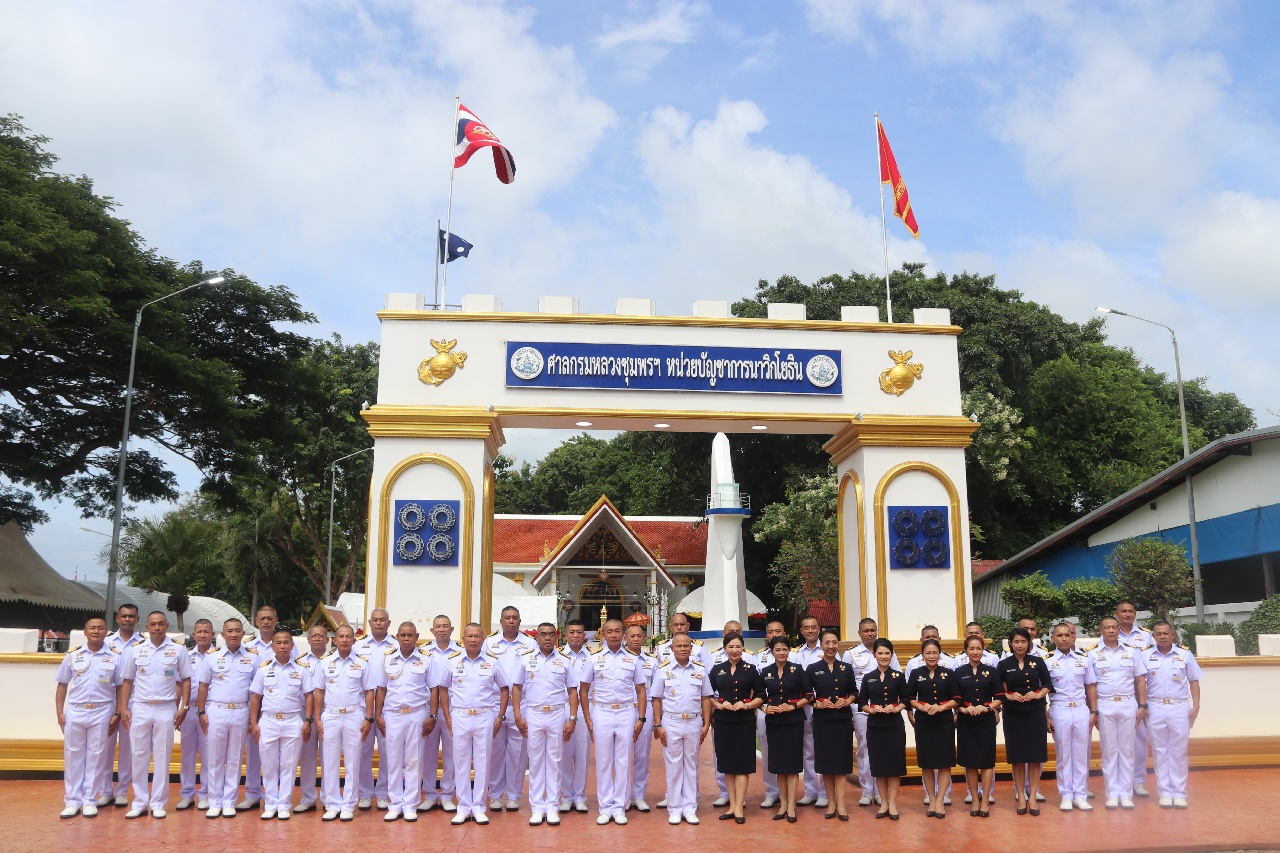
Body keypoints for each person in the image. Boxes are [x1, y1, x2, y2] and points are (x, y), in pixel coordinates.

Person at [117, 611, 192, 819]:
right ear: (147, 627)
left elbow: (186, 679)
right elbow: (127, 681)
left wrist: (184, 707)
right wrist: (123, 708)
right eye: (153, 624)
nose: (157, 628)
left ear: (167, 625)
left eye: (161, 624)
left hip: (166, 707)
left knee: (162, 755)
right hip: (140, 707)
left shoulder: (178, 650)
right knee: (138, 755)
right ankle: (140, 802)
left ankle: (158, 802)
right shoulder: (136, 650)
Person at [436, 622, 510, 826]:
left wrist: (500, 716)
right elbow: (443, 689)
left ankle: (478, 806)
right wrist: (448, 717)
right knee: (460, 761)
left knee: (483, 762)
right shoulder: (452, 662)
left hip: (484, 716)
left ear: (483, 639)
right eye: (469, 636)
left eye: (477, 636)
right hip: (460, 716)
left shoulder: (492, 662)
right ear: (463, 638)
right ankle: (462, 806)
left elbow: (505, 689)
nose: (473, 640)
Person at [580, 618, 647, 826]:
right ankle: (605, 807)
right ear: (603, 634)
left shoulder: (633, 660)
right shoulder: (594, 658)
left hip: (626, 712)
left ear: (623, 634)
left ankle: (619, 807)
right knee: (603, 761)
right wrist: (588, 717)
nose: (614, 635)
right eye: (609, 631)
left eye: (618, 631)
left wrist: (641, 718)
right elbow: (583, 689)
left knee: (623, 760)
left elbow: (641, 690)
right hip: (602, 712)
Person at [511, 622, 579, 826]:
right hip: (534, 713)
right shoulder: (525, 659)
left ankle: (552, 806)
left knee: (555, 760)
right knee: (536, 761)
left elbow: (572, 690)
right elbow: (516, 688)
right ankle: (537, 807)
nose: (547, 638)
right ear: (537, 638)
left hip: (557, 713)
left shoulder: (565, 661)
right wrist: (517, 715)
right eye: (543, 634)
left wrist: (572, 718)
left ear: (557, 637)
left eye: (551, 634)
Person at [55, 616, 121, 818]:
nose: (96, 631)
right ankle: (72, 800)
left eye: (100, 628)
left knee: (97, 756)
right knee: (73, 756)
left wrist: (117, 713)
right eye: (92, 628)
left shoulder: (115, 656)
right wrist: (59, 712)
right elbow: (62, 685)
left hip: (102, 710)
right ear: (85, 632)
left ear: (106, 631)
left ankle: (90, 800)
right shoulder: (73, 655)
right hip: (76, 709)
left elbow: (120, 687)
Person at [249, 626, 315, 820]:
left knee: (289, 765)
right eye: (278, 642)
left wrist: (308, 721)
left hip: (292, 720)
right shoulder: (263, 669)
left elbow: (309, 696)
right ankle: (270, 803)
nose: (283, 646)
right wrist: (254, 723)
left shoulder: (301, 669)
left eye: (286, 642)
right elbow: (255, 697)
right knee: (269, 765)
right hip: (268, 720)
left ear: (292, 645)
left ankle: (284, 804)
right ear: (272, 646)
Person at [313, 623, 376, 821]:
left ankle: (348, 804)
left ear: (354, 640)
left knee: (353, 761)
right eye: (341, 636)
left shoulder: (363, 663)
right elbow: (319, 692)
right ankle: (331, 803)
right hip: (330, 715)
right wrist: (316, 717)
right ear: (335, 640)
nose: (345, 640)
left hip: (354, 715)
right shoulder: (324, 662)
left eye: (349, 636)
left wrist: (368, 717)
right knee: (329, 761)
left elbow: (369, 692)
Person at [194, 617, 256, 819]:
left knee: (235, 759)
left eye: (238, 631)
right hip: (216, 711)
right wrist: (201, 712)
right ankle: (214, 801)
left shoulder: (253, 657)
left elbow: (256, 691)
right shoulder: (211, 657)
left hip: (241, 711)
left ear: (243, 634)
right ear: (222, 634)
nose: (234, 634)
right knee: (214, 758)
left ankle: (229, 801)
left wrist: (252, 718)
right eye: (230, 631)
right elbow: (203, 685)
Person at [1085, 615, 1149, 810]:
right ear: (1100, 630)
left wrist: (1143, 705)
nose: (1111, 630)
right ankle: (1113, 793)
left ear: (1119, 629)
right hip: (1105, 705)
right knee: (1110, 750)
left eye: (1114, 627)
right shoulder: (1092, 654)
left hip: (1128, 703)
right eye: (1107, 627)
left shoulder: (1132, 652)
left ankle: (1126, 794)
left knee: (1128, 750)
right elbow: (1091, 684)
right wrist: (1094, 709)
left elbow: (1140, 680)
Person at [374, 620, 435, 822]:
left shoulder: (426, 659)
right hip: (393, 714)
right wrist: (378, 714)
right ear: (397, 637)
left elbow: (434, 689)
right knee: (393, 760)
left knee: (414, 760)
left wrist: (432, 715)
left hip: (417, 714)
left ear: (417, 637)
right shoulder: (388, 659)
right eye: (402, 635)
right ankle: (394, 803)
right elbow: (381, 689)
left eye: (410, 635)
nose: (406, 638)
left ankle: (410, 804)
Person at [651, 633, 712, 825]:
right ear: (672, 648)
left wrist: (706, 724)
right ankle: (675, 808)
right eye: (679, 646)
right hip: (671, 722)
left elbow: (705, 698)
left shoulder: (700, 669)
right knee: (674, 766)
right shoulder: (662, 670)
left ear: (692, 648)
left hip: (693, 721)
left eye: (687, 645)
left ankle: (690, 807)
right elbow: (657, 699)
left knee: (692, 765)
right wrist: (658, 725)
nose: (683, 649)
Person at [707, 631, 765, 824]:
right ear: (725, 649)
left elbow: (761, 695)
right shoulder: (717, 670)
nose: (734, 650)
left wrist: (747, 705)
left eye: (738, 647)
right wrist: (718, 705)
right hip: (723, 721)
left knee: (742, 766)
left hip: (744, 721)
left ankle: (739, 806)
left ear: (743, 648)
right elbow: (706, 694)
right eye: (730, 647)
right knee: (728, 766)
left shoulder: (751, 669)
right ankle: (732, 805)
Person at [1143, 620, 1201, 809]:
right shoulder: (1145, 655)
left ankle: (1179, 792)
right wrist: (1142, 706)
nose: (1162, 636)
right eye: (1158, 633)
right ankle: (1165, 792)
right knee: (1160, 751)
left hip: (1178, 707)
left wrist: (1196, 706)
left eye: (1166, 633)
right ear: (1153, 636)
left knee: (1179, 751)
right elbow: (1140, 683)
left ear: (1173, 635)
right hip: (1155, 706)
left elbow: (1194, 680)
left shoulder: (1184, 654)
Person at [485, 605, 537, 811]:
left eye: (515, 618)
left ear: (520, 621)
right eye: (507, 618)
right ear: (500, 621)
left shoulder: (530, 643)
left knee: (518, 752)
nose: (511, 621)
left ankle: (514, 795)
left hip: (522, 704)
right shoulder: (489, 643)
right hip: (494, 703)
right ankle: (496, 795)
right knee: (495, 751)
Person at [997, 627, 1053, 816]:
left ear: (1029, 643)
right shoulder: (1004, 664)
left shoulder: (1037, 662)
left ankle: (1034, 795)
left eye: (1023, 641)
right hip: (1013, 714)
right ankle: (1021, 795)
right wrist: (1009, 696)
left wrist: (1037, 693)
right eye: (1016, 642)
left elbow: (1048, 685)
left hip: (1034, 713)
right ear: (1010, 644)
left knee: (1035, 757)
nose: (1020, 645)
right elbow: (997, 691)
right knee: (1018, 757)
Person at [846, 618, 900, 807]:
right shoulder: (851, 654)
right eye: (865, 630)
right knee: (864, 750)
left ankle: (881, 792)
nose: (869, 633)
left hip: (887, 711)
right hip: (862, 710)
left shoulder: (887, 651)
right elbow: (848, 684)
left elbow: (898, 678)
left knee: (884, 750)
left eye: (872, 630)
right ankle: (867, 790)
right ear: (859, 633)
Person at [806, 629, 857, 820]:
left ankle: (842, 804)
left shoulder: (846, 668)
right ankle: (831, 803)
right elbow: (807, 694)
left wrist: (848, 701)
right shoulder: (812, 668)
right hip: (822, 720)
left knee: (842, 764)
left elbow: (854, 692)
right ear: (821, 645)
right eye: (827, 643)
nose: (831, 646)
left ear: (838, 645)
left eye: (834, 642)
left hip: (842, 720)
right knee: (826, 764)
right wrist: (817, 702)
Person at [905, 637, 959, 819]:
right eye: (928, 653)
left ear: (940, 654)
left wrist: (942, 707)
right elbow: (909, 697)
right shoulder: (916, 673)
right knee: (927, 763)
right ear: (922, 655)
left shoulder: (948, 673)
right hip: (924, 722)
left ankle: (941, 800)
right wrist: (920, 707)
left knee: (944, 763)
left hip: (944, 721)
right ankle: (932, 797)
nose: (931, 656)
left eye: (935, 652)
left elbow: (957, 698)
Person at [760, 635, 811, 823]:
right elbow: (757, 695)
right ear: (771, 652)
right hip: (774, 722)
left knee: (792, 765)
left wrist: (794, 706)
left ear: (789, 651)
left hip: (793, 721)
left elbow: (809, 695)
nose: (781, 653)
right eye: (777, 649)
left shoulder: (797, 670)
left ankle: (791, 805)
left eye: (784, 649)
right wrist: (765, 708)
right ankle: (782, 803)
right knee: (779, 766)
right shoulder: (766, 671)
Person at [858, 638, 909, 820]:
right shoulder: (868, 677)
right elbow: (861, 702)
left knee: (894, 765)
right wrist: (872, 709)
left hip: (894, 724)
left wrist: (896, 708)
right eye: (880, 653)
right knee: (879, 765)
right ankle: (884, 803)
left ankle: (893, 803)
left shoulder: (898, 676)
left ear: (891, 655)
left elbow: (906, 700)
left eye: (887, 653)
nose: (884, 656)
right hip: (875, 725)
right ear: (874, 655)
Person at [240, 604, 285, 809]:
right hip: (253, 705)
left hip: (275, 708)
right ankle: (251, 793)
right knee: (254, 753)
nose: (266, 622)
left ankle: (272, 795)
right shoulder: (247, 646)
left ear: (276, 620)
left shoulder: (284, 644)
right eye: (262, 618)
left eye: (270, 618)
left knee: (275, 755)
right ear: (256, 621)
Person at [98, 602, 143, 807]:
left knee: (128, 749)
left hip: (133, 704)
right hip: (107, 703)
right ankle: (106, 790)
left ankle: (123, 790)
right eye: (124, 616)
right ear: (117, 619)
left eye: (131, 616)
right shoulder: (105, 642)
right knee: (104, 749)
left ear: (137, 619)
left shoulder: (143, 644)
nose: (127, 619)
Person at [1046, 621, 1093, 811]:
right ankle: (1065, 794)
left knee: (1081, 753)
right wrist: (1046, 716)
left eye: (1068, 635)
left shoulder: (1084, 659)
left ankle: (1080, 794)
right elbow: (1043, 690)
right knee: (1064, 754)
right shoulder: (1046, 661)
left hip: (1081, 708)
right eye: (1060, 635)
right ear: (1053, 639)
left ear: (1073, 637)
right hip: (1060, 708)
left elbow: (1090, 686)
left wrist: (1094, 711)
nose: (1064, 639)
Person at [953, 621, 1000, 806]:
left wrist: (988, 707)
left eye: (978, 648)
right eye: (971, 649)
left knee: (987, 761)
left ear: (982, 650)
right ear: (966, 651)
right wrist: (962, 708)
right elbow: (954, 698)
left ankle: (986, 798)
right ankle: (974, 798)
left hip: (986, 720)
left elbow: (1000, 697)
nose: (975, 652)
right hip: (966, 721)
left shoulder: (991, 671)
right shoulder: (958, 672)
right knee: (970, 762)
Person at [420, 614, 463, 811]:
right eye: (438, 626)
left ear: (452, 629)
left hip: (453, 710)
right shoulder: (423, 652)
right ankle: (429, 794)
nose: (442, 629)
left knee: (451, 754)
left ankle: (447, 794)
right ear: (432, 630)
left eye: (446, 626)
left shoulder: (460, 652)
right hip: (428, 711)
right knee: (427, 754)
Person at [355, 607, 396, 810]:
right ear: (369, 623)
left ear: (389, 623)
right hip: (362, 707)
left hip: (389, 707)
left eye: (383, 620)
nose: (379, 623)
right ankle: (364, 793)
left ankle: (383, 793)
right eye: (375, 620)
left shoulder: (397, 645)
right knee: (363, 751)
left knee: (388, 753)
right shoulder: (358, 646)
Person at [1115, 600, 1155, 798]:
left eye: (1131, 611)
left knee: (1140, 740)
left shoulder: (1146, 636)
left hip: (1141, 692)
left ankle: (1138, 781)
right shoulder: (1111, 633)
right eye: (1123, 611)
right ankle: (1121, 781)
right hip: (1119, 693)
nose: (1127, 614)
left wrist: (1144, 701)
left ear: (1135, 614)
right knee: (1119, 741)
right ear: (1116, 613)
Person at [176, 618, 216, 811]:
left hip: (210, 710)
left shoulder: (218, 656)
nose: (202, 635)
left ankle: (206, 794)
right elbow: (179, 683)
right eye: (199, 631)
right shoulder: (186, 656)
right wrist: (178, 709)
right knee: (188, 754)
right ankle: (187, 794)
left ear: (213, 635)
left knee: (209, 755)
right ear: (193, 635)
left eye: (206, 631)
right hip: (189, 709)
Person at [750, 620, 788, 809]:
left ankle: (800, 791)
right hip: (767, 710)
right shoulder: (759, 658)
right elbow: (757, 687)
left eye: (778, 631)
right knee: (767, 751)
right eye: (770, 632)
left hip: (791, 711)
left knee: (793, 751)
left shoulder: (793, 656)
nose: (774, 634)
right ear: (767, 636)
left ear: (785, 633)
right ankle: (772, 792)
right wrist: (761, 709)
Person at [293, 624, 330, 813]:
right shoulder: (299, 662)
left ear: (327, 640)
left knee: (328, 758)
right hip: (304, 713)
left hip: (327, 713)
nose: (317, 638)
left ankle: (328, 798)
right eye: (313, 636)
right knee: (306, 757)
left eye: (321, 635)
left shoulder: (333, 660)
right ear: (308, 640)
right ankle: (308, 798)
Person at [791, 614, 827, 807]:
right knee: (807, 750)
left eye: (814, 627)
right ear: (802, 631)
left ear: (819, 629)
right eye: (807, 628)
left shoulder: (829, 648)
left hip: (824, 707)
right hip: (805, 707)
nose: (811, 631)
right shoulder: (796, 654)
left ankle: (824, 793)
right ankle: (811, 790)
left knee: (823, 748)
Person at [557, 619, 592, 814]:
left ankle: (579, 796)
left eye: (579, 632)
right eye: (572, 632)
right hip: (561, 708)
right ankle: (565, 796)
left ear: (584, 635)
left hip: (583, 708)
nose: (576, 635)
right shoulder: (558, 655)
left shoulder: (593, 657)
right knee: (562, 753)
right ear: (565, 634)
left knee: (581, 754)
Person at [624, 623, 658, 812]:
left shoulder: (652, 661)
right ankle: (625, 795)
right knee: (623, 754)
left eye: (639, 636)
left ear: (644, 638)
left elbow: (657, 688)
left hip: (646, 709)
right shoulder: (619, 659)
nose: (636, 639)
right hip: (625, 709)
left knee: (642, 753)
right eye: (632, 636)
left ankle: (639, 795)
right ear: (625, 639)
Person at [710, 619, 744, 809]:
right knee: (721, 755)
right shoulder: (714, 660)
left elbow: (757, 689)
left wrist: (749, 707)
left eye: (738, 631)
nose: (735, 633)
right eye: (730, 632)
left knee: (741, 756)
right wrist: (715, 708)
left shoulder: (750, 660)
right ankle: (725, 792)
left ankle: (740, 797)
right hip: (722, 714)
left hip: (744, 713)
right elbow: (707, 690)